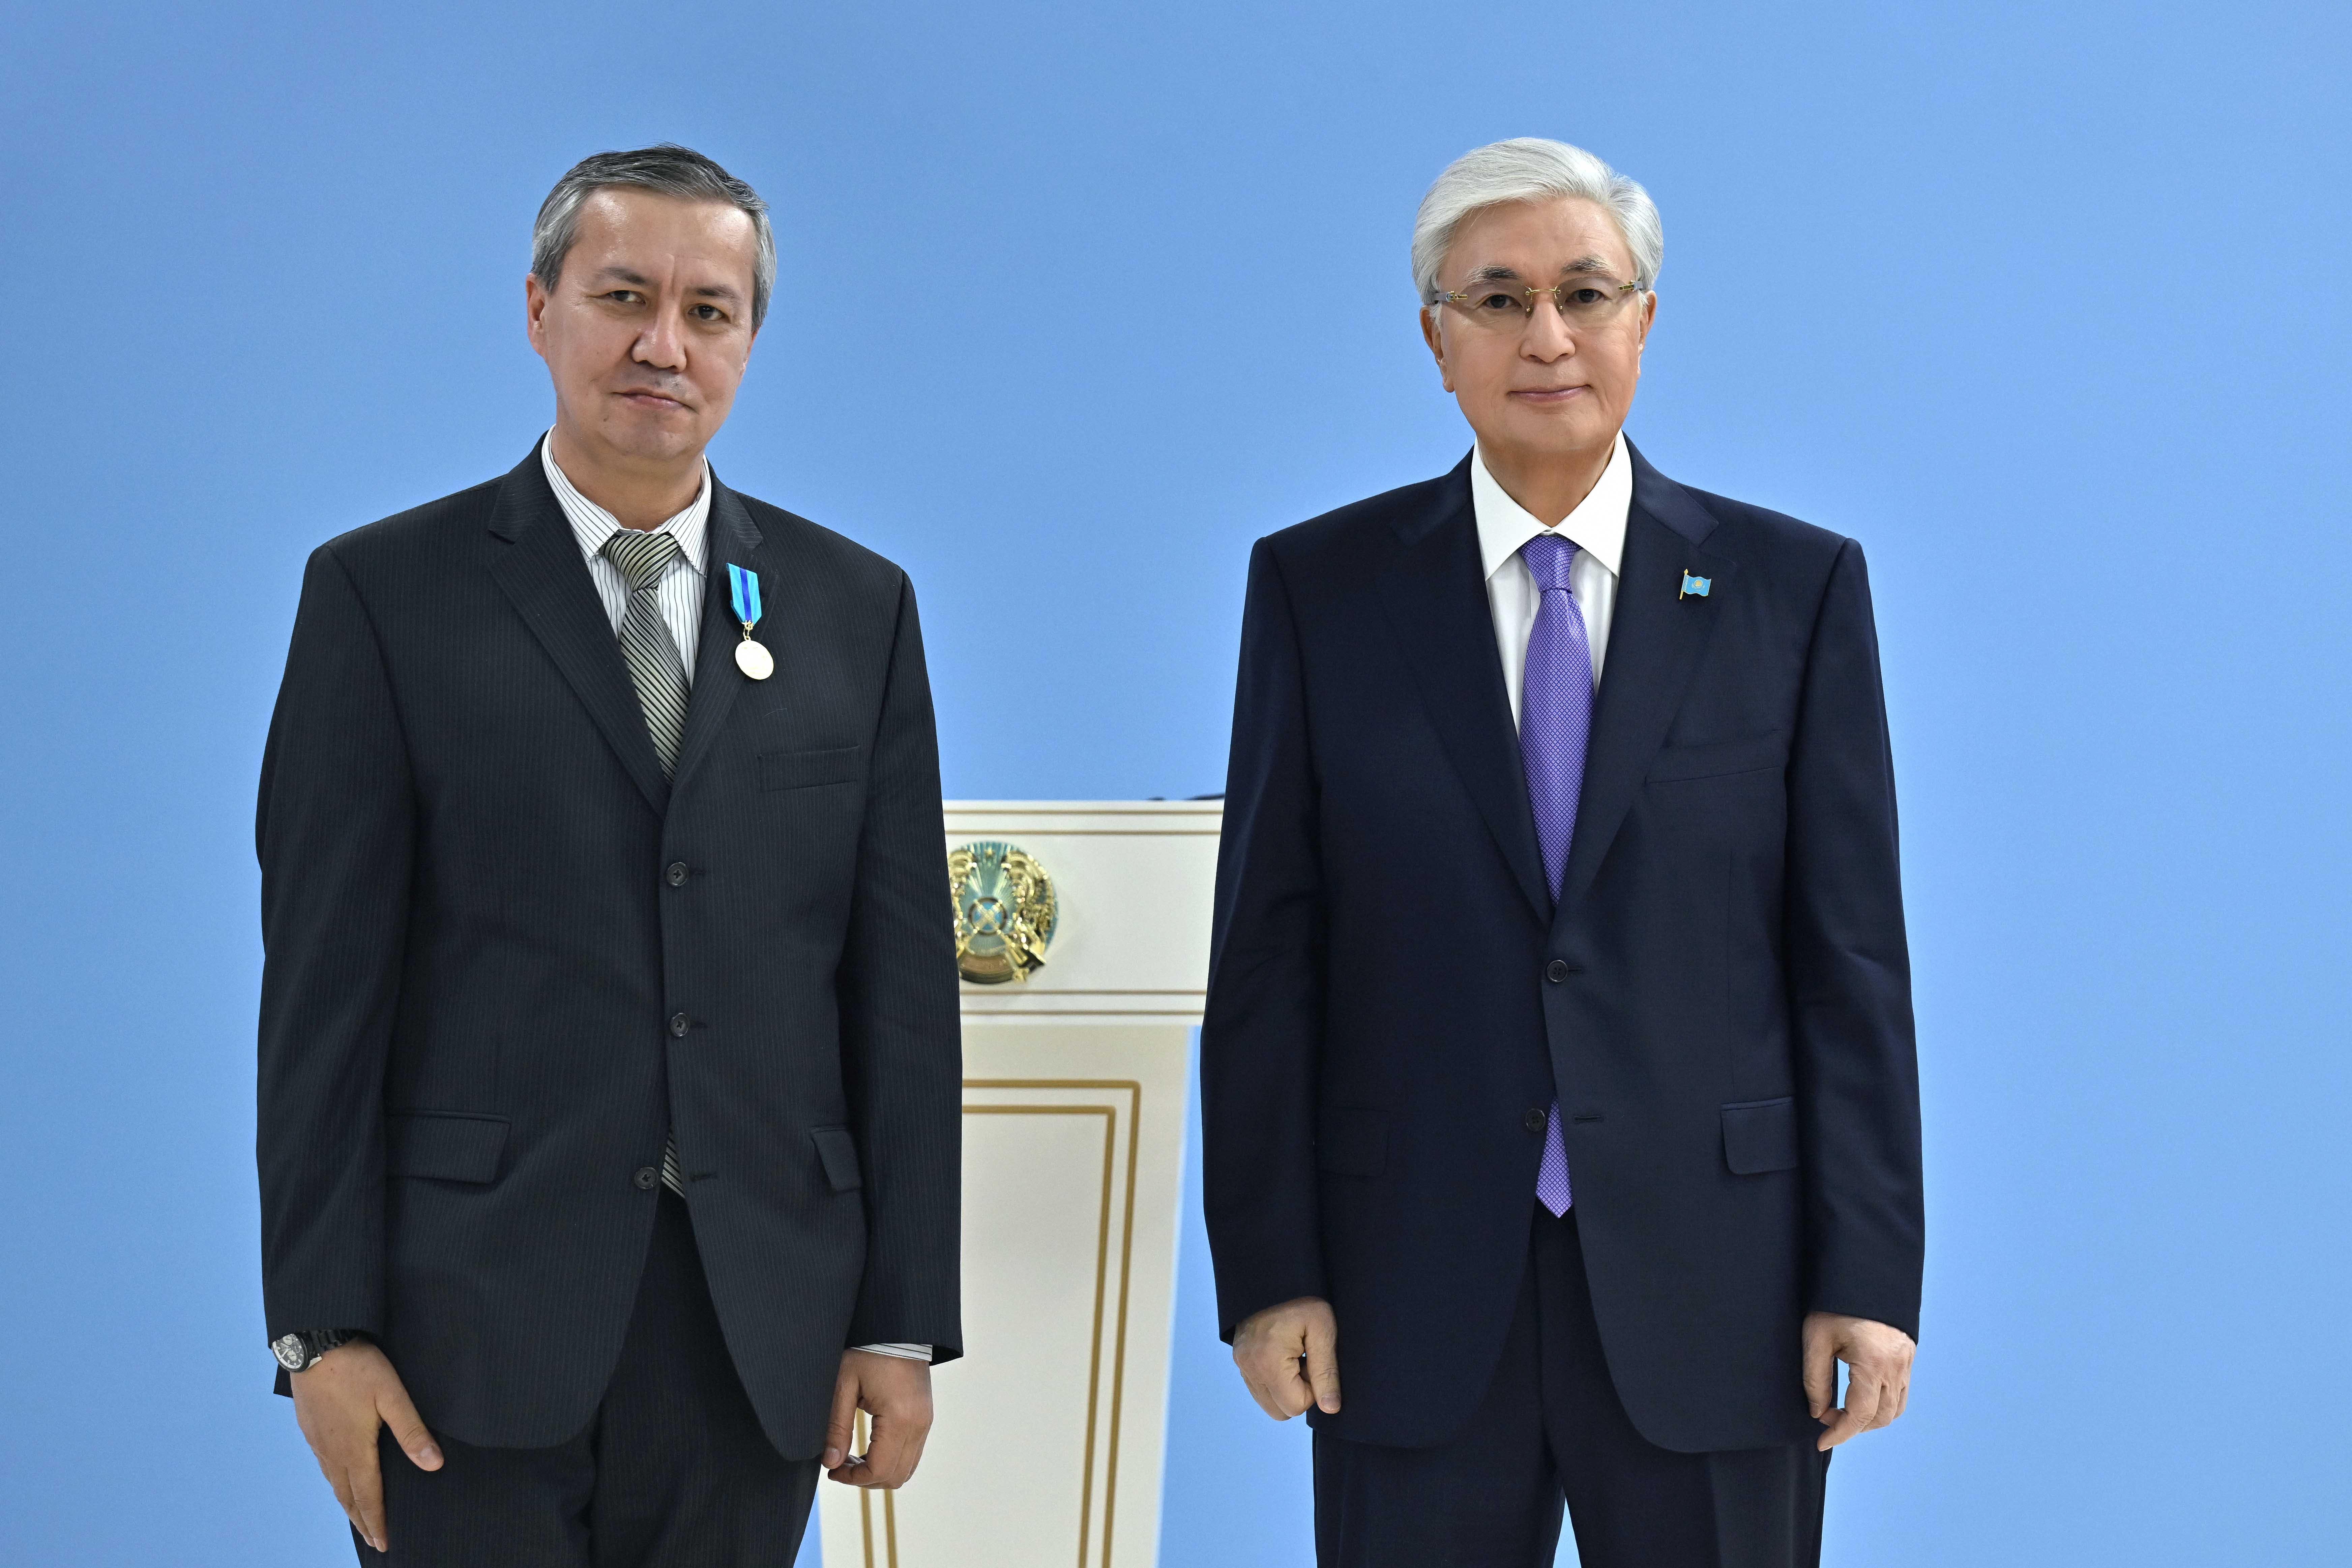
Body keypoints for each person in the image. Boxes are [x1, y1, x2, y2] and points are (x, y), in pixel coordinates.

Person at [1201, 138, 1924, 1568]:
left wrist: (1868, 1273)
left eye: (1584, 294)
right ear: (1436, 340)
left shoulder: (1792, 590)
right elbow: (1269, 958)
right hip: (1407, 1286)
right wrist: (1270, 1268)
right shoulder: (1319, 589)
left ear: (1642, 320)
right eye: (1499, 300)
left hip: (1722, 1287)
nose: (1546, 336)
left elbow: (1848, 963)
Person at [255, 144, 962, 1566]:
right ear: (540, 310)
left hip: (759, 1330)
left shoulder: (856, 609)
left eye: (710, 311)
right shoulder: (382, 596)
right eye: (624, 296)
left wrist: (900, 1318)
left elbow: (898, 996)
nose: (664, 345)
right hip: (464, 1330)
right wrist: (319, 1331)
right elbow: (323, 996)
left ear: (749, 340)